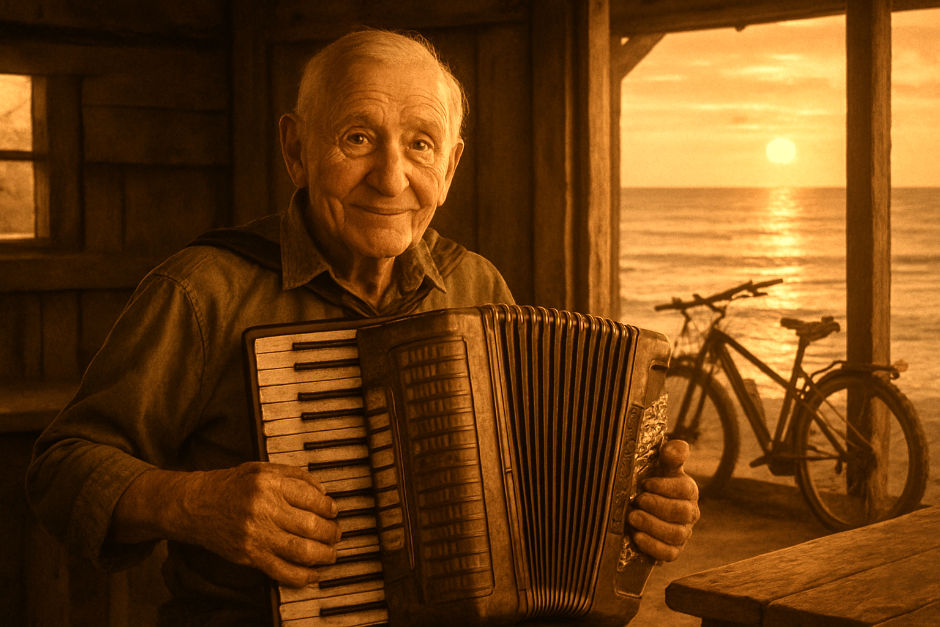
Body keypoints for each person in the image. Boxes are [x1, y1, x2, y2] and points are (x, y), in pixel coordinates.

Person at [27, 29, 699, 625]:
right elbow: (60, 469)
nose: (390, 177)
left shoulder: (478, 288)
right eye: (357, 138)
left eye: (420, 144)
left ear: (450, 167)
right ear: (296, 149)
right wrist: (192, 502)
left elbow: (538, 492)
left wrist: (632, 512)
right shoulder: (203, 291)